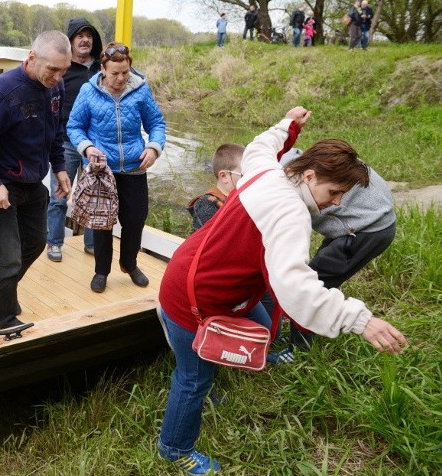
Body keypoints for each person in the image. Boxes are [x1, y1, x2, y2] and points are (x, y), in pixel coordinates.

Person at [155, 106, 407, 474]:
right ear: (309, 175)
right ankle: (175, 448)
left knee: (263, 331)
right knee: (193, 380)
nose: (337, 203)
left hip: (193, 268)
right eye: (334, 192)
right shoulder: (291, 214)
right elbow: (296, 286)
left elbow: (261, 143)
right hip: (195, 297)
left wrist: (289, 126)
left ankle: (214, 366)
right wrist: (361, 320)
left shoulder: (265, 169)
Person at [0, 30, 72, 330]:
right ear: (32, 57)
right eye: (53, 69)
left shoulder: (55, 88)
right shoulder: (4, 91)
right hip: (0, 183)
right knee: (6, 257)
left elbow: (54, 132)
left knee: (36, 241)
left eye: (64, 70)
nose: (58, 76)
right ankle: (1, 319)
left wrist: (59, 167)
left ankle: (1, 287)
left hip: (32, 183)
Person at [264, 149, 397, 362]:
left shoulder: (289, 182)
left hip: (368, 229)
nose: (336, 201)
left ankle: (299, 350)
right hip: (364, 220)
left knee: (312, 284)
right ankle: (303, 329)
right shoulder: (292, 161)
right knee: (316, 276)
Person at [67, 42, 166, 293]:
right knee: (102, 224)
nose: (121, 78)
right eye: (115, 73)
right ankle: (102, 271)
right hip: (103, 171)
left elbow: (156, 122)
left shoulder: (141, 90)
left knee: (135, 219)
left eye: (125, 72)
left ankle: (129, 264)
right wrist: (88, 148)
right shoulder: (88, 92)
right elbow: (74, 126)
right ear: (102, 69)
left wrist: (154, 147)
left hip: (134, 166)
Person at [46, 17, 102, 263]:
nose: (85, 39)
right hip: (66, 142)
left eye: (89, 35)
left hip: (96, 143)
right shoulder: (63, 69)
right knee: (59, 195)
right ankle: (54, 243)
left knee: (94, 196)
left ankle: (91, 244)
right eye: (79, 35)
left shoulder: (102, 68)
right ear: (70, 41)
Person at [186, 143, 245, 232]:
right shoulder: (207, 203)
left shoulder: (242, 199)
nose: (249, 178)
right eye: (244, 174)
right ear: (224, 176)